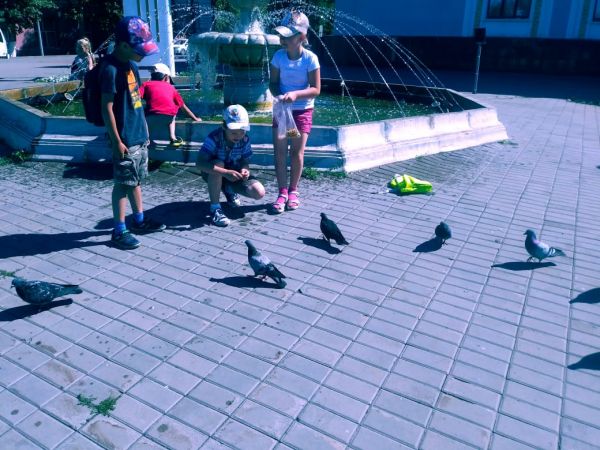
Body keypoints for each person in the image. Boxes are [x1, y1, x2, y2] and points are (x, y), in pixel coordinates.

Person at [100, 16, 166, 250]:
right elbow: (107, 108)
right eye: (139, 49)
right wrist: (117, 140)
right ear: (123, 45)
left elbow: (136, 102)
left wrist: (144, 129)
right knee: (122, 184)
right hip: (124, 139)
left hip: (138, 136)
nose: (143, 54)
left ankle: (139, 220)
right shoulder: (110, 69)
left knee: (134, 180)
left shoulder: (132, 66)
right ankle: (119, 230)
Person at [268, 10, 320, 214]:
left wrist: (295, 95)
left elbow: (315, 89)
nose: (283, 39)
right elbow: (273, 83)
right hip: (283, 111)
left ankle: (293, 191)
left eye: (288, 36)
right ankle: (282, 192)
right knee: (280, 152)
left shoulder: (310, 59)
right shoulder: (278, 57)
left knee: (296, 152)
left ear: (301, 37)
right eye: (281, 35)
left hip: (301, 111)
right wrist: (280, 96)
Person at [196, 105, 265, 227]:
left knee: (259, 192)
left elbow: (244, 160)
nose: (238, 136)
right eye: (233, 132)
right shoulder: (214, 138)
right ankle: (215, 208)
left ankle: (229, 190)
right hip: (213, 174)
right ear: (224, 126)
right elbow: (200, 163)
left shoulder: (245, 139)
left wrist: (245, 169)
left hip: (234, 174)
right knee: (219, 163)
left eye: (242, 131)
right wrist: (225, 173)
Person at [140, 62, 202, 147]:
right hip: (168, 117)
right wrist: (195, 118)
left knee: (142, 112)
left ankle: (146, 138)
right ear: (166, 77)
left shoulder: (146, 84)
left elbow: (136, 98)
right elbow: (183, 107)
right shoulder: (171, 88)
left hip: (150, 118)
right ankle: (173, 137)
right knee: (173, 110)